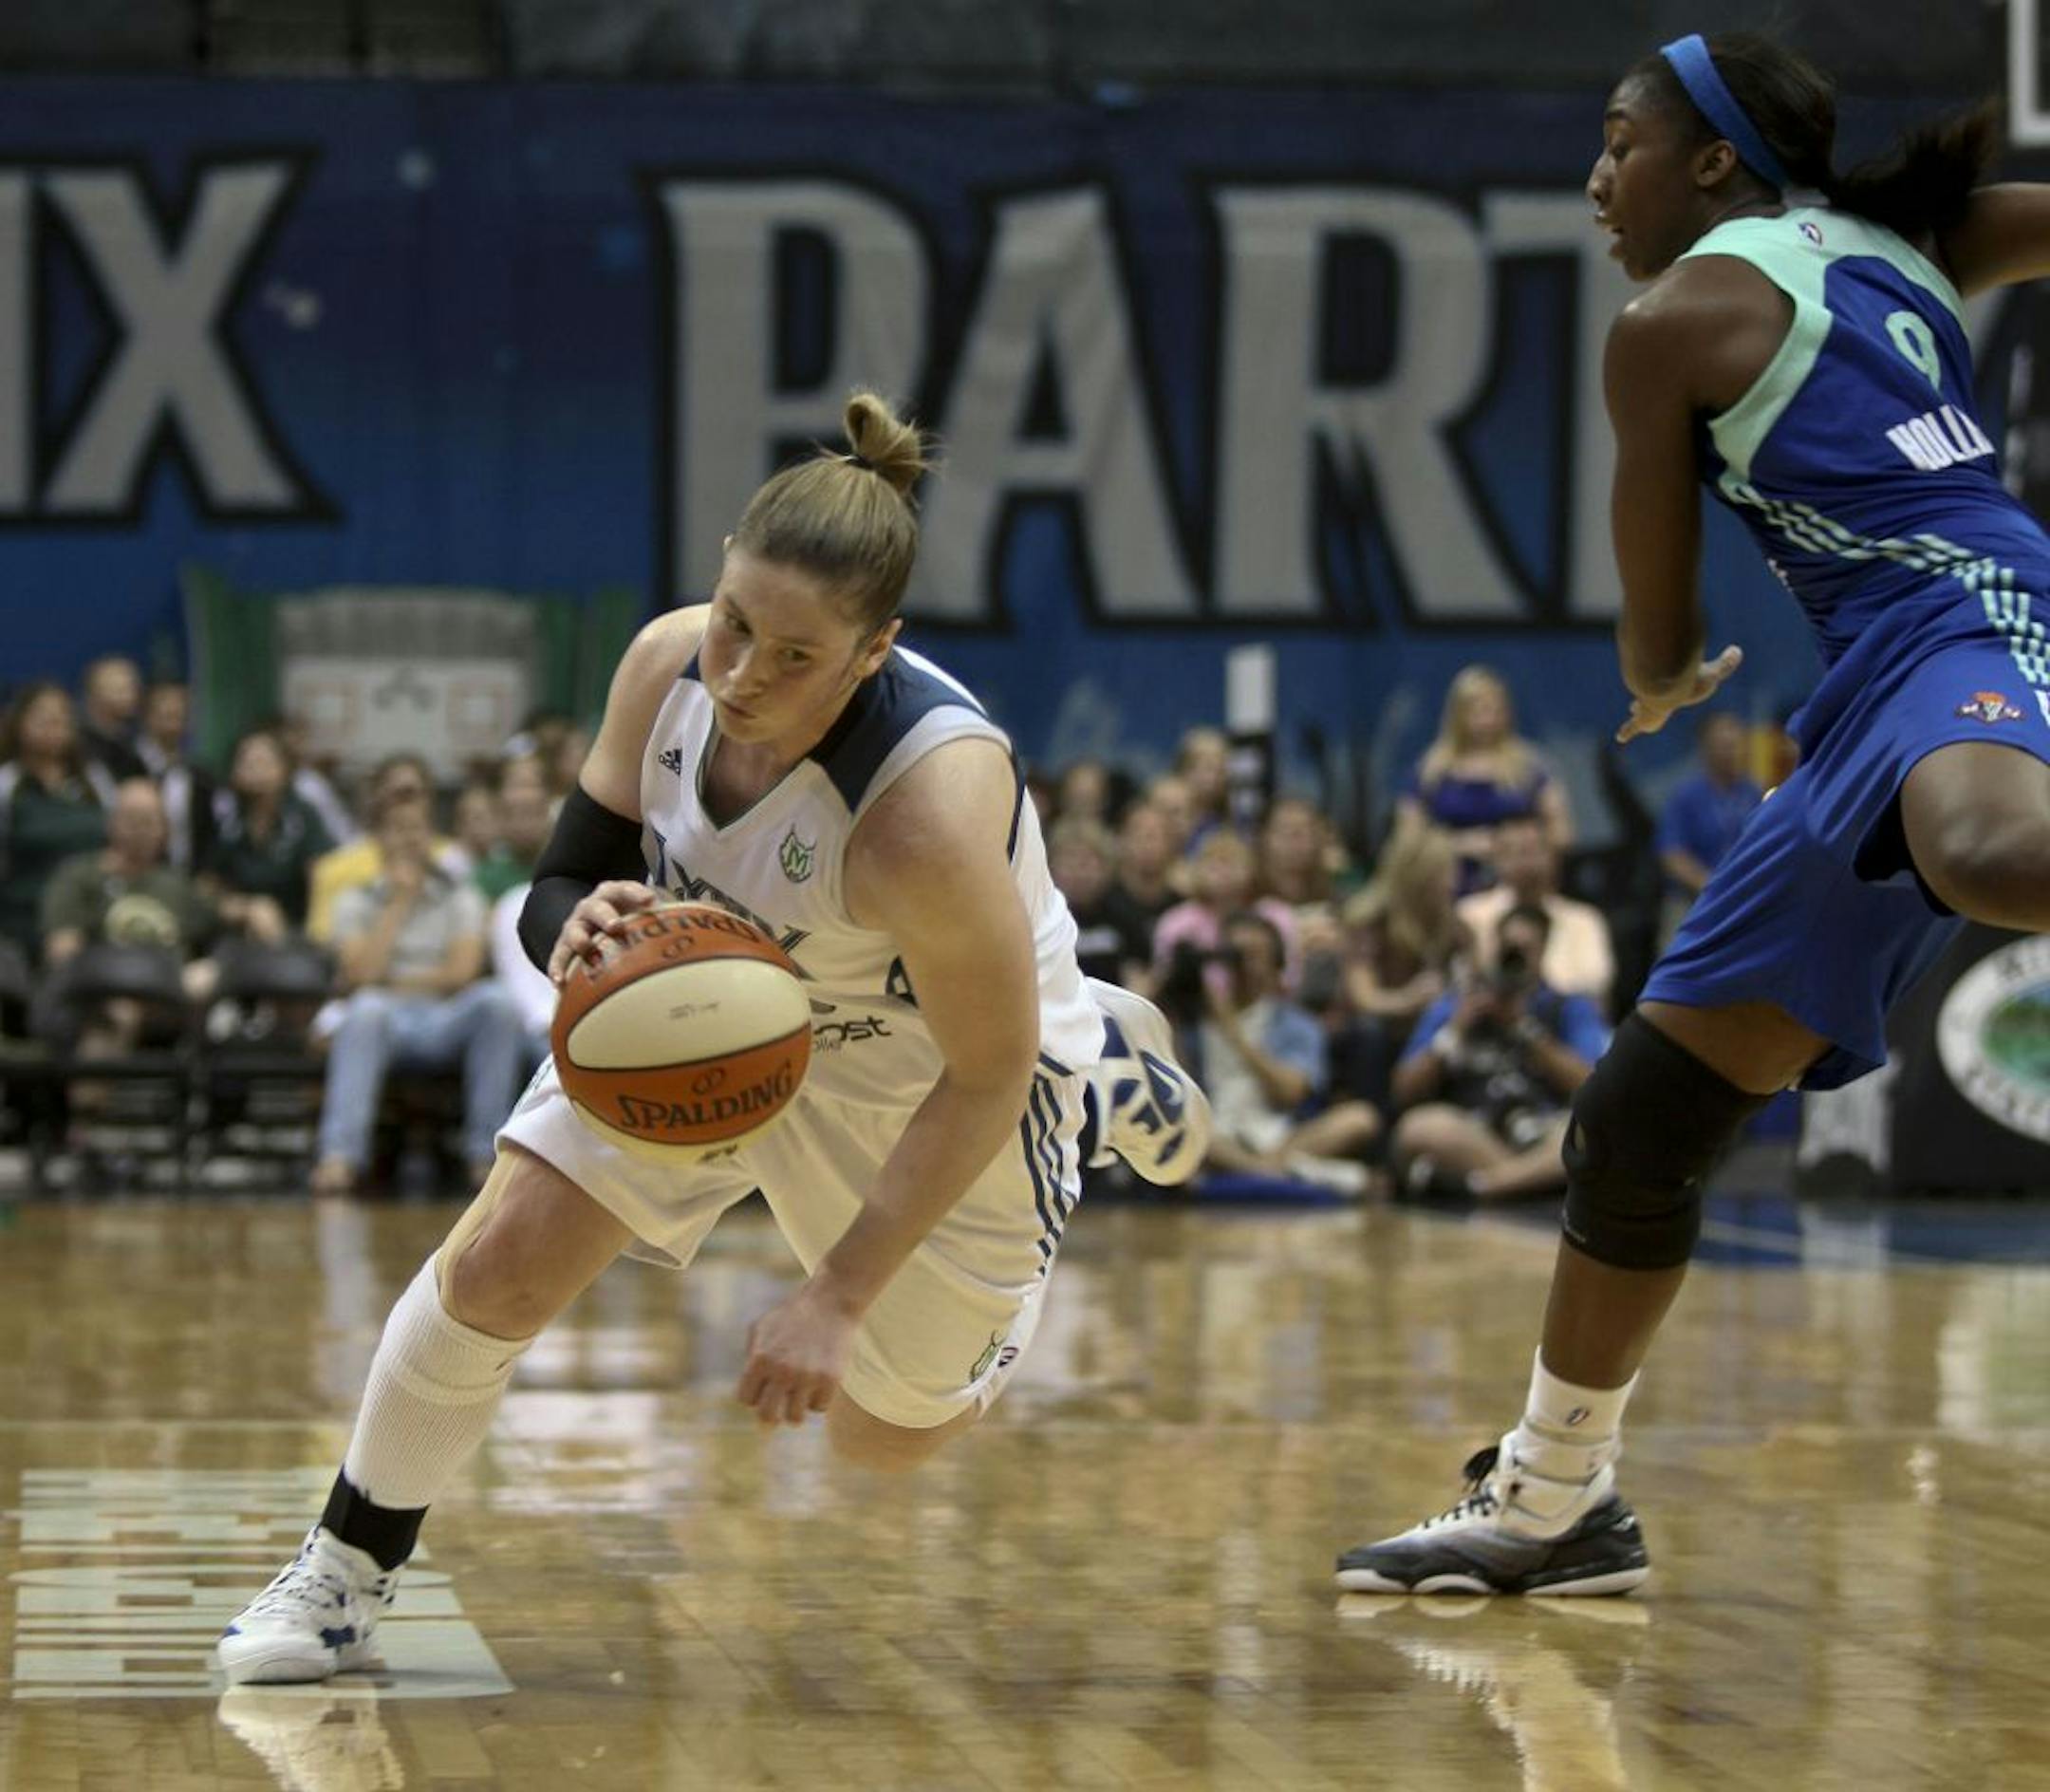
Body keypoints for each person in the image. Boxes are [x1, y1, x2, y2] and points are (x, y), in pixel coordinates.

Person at [219, 392, 1210, 1685]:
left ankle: (1103, 1065)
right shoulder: (665, 668)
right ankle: (342, 1576)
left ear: (874, 651)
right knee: (498, 1267)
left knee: (883, 1434)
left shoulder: (919, 815)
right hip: (704, 999)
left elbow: (983, 1073)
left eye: (793, 657)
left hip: (929, 1064)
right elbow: (556, 882)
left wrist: (836, 1296)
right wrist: (578, 932)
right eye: (735, 624)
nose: (742, 675)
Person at [1339, 32, 2050, 1596]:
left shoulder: (1674, 322)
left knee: (1991, 854)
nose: (1597, 181)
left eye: (1619, 145)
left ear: (1713, 163)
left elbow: (1652, 629)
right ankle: (1552, 1500)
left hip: (1968, 612)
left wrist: (1659, 682)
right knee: (1641, 1122)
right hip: (1873, 686)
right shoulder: (1912, 239)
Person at [308, 795, 524, 1198]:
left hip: (446, 1018)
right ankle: (339, 1157)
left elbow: (462, 972)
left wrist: (392, 978)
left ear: (432, 838)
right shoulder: (355, 901)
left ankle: (486, 1156)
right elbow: (361, 977)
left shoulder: (461, 896)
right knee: (366, 1008)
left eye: (418, 828)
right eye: (398, 828)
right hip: (384, 1020)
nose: (409, 838)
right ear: (379, 839)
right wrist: (398, 902)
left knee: (496, 1002)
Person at [1388, 903, 1609, 1204]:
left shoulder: (1568, 1007)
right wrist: (1454, 1031)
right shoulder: (1456, 1006)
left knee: (1596, 1132)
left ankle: (1486, 1186)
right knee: (1419, 1127)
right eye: (1508, 947)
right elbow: (1404, 1090)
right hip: (1477, 1133)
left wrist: (1526, 1029)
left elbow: (1592, 1087)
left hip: (1544, 1126)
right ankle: (1532, 1181)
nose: (1514, 958)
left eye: (1524, 950)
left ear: (1543, 951)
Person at [1181, 909, 1381, 1194]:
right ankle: (1286, 1171)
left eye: (1255, 956)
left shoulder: (1297, 1024)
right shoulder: (1195, 1020)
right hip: (1215, 1132)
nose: (1244, 966)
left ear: (1276, 966)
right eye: (1237, 955)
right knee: (1187, 1129)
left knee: (1360, 1118)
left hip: (1278, 1133)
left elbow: (1291, 1094)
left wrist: (1234, 1035)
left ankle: (1260, 1168)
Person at [1395, 665, 1572, 895]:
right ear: (1458, 714)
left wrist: (1518, 850)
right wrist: (1458, 845)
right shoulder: (1431, 770)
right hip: (1447, 888)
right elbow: (1407, 840)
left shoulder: (1531, 767)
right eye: (1479, 710)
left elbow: (1562, 834)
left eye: (1496, 710)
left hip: (1516, 891)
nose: (1488, 719)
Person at [0, 683, 115, 963]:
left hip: (93, 918)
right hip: (22, 920)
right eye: (42, 716)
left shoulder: (95, 781)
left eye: (62, 716)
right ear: (19, 723)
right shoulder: (7, 783)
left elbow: (117, 842)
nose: (53, 724)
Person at [1457, 814, 1616, 1010]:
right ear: (1495, 859)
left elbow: (1596, 987)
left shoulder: (1584, 918)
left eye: (1535, 851)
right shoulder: (1469, 915)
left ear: (1554, 857)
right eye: (1517, 851)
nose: (1527, 861)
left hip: (1568, 1025)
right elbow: (1466, 984)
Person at [304, 754, 468, 943]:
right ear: (377, 798)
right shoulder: (334, 867)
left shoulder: (454, 860)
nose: (405, 803)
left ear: (429, 799)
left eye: (413, 793)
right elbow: (324, 943)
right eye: (398, 793)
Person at [203, 725, 336, 937]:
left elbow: (323, 875)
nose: (255, 769)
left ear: (284, 769)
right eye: (246, 762)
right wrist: (241, 908)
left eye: (263, 762)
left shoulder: (302, 815)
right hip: (242, 929)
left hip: (297, 929)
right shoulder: (228, 818)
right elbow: (208, 885)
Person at [1656, 710, 1764, 939]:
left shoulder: (1753, 792)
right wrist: (1710, 884)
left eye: (1735, 744)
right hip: (1691, 900)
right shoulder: (1686, 795)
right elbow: (1671, 855)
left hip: (1742, 897)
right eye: (1723, 745)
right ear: (1705, 748)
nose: (1730, 752)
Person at [1047, 816, 1152, 990]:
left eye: (1087, 862)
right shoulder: (1042, 917)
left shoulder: (1126, 916)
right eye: (1070, 862)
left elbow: (1139, 979)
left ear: (1106, 867)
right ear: (1052, 867)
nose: (1079, 872)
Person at [136, 679, 217, 874]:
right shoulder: (126, 765)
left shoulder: (200, 776)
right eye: (165, 712)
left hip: (185, 876)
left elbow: (207, 834)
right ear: (146, 715)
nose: (173, 719)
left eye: (179, 713)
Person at [76, 654, 148, 784]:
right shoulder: (77, 746)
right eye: (122, 690)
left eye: (134, 688)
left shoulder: (134, 745)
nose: (132, 696)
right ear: (95, 693)